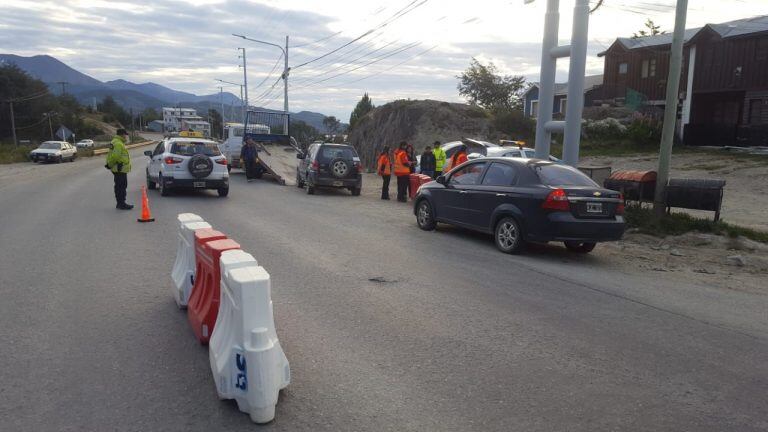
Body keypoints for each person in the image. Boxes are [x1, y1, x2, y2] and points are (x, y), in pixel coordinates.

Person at [105, 128, 132, 210]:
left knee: (119, 186)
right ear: (122, 134)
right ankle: (121, 203)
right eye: (125, 135)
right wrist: (110, 164)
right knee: (121, 186)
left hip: (118, 168)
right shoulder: (118, 143)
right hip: (120, 168)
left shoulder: (115, 142)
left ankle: (120, 203)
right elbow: (115, 156)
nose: (126, 137)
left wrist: (110, 165)